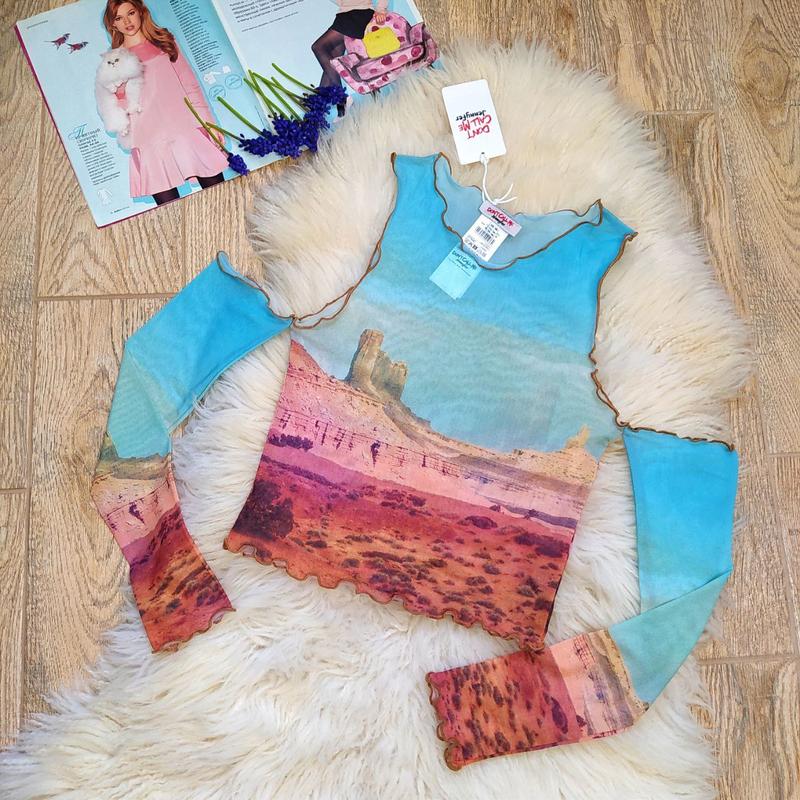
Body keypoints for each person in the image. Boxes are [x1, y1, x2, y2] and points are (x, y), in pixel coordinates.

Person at [103, 0, 229, 205]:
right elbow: (117, 107)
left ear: (140, 12)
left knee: (221, 199)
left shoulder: (163, 40)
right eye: (119, 17)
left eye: (131, 13)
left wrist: (208, 123)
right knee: (169, 211)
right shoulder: (114, 61)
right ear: (113, 24)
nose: (127, 21)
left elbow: (190, 85)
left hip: (184, 128)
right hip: (149, 139)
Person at [311, 0, 388, 116]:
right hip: (345, 15)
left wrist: (381, 10)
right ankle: (318, 112)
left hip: (358, 14)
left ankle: (341, 99)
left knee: (318, 47)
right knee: (332, 62)